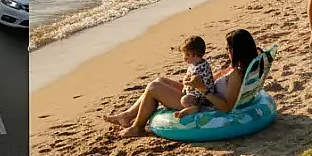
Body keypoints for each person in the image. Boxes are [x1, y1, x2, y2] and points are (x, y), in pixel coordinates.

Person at [104, 30, 265, 138]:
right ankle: (126, 116)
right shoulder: (247, 64)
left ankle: (137, 128)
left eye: (229, 48)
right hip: (203, 91)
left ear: (237, 50)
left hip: (203, 102)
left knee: (154, 88)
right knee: (159, 81)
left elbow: (226, 107)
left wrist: (202, 88)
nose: (227, 51)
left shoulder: (237, 74)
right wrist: (199, 82)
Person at [173, 36, 217, 119]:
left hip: (202, 97)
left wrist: (185, 82)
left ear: (195, 55)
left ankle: (194, 108)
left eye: (187, 55)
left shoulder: (199, 68)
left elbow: (194, 82)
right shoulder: (197, 63)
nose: (184, 58)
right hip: (196, 93)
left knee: (184, 100)